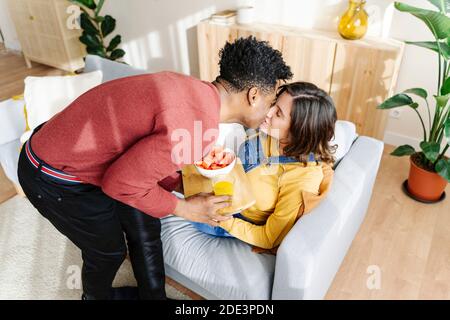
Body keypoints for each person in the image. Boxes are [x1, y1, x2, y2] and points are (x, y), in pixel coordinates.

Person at [17, 36, 292, 299]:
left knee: (145, 220)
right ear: (253, 95)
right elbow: (120, 184)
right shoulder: (198, 130)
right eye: (271, 103)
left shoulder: (192, 87)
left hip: (64, 144)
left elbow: (147, 154)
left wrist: (179, 186)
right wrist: (186, 209)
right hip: (52, 174)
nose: (269, 112)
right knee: (108, 251)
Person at [192, 82, 336, 253]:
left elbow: (268, 238)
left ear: (299, 131)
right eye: (275, 103)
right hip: (222, 184)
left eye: (278, 113)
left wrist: (220, 218)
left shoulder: (302, 180)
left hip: (233, 218)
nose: (268, 112)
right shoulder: (273, 133)